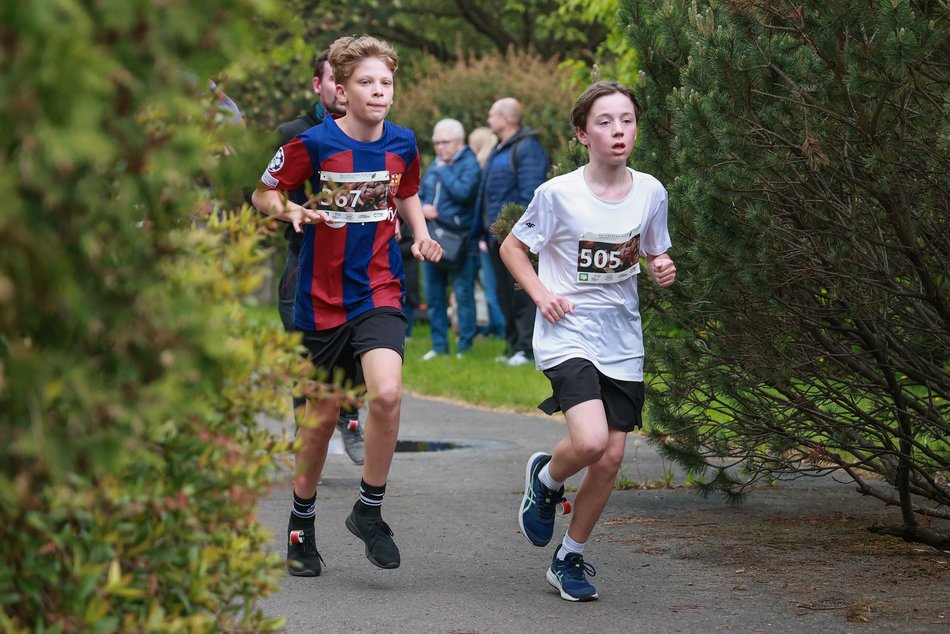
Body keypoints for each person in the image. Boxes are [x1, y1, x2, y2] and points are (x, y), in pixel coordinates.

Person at [251, 35, 442, 577]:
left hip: (379, 289)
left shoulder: (403, 142)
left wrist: (421, 234)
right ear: (340, 86)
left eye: (385, 82)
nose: (378, 92)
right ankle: (300, 523)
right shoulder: (311, 144)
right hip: (319, 298)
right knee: (321, 416)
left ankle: (369, 509)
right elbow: (262, 192)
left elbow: (405, 190)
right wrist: (289, 210)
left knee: (386, 393)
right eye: (366, 82)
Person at [500, 81, 676, 601]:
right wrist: (540, 293)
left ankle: (568, 556)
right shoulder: (558, 195)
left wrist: (661, 266)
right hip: (567, 330)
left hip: (621, 336)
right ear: (582, 134)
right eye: (604, 122)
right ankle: (548, 480)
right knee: (593, 440)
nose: (618, 130)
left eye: (626, 120)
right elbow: (513, 248)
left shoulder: (651, 191)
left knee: (610, 458)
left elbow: (653, 252)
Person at [271, 49, 366, 466]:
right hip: (305, 263)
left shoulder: (374, 133)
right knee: (305, 352)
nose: (344, 89)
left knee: (368, 344)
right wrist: (291, 210)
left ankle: (349, 416)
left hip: (361, 266)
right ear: (319, 84)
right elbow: (257, 192)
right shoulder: (293, 132)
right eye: (335, 79)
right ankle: (304, 433)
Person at [476, 98, 549, 366]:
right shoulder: (499, 149)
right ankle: (511, 344)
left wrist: (518, 234)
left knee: (521, 293)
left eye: (492, 114)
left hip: (516, 237)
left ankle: (525, 348)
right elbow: (486, 195)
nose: (488, 120)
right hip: (494, 235)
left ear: (506, 119)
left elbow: (531, 195)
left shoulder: (527, 149)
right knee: (503, 293)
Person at [419, 119, 481, 359]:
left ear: (459, 142)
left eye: (445, 142)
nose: (440, 148)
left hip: (459, 240)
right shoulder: (436, 164)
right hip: (432, 236)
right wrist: (422, 207)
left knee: (463, 293)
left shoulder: (469, 163)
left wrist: (444, 170)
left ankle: (465, 346)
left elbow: (464, 193)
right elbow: (423, 192)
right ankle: (438, 346)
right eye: (436, 143)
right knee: (434, 294)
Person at [467, 126, 505, 339]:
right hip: (492, 234)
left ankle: (499, 328)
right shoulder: (493, 164)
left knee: (491, 286)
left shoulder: (481, 168)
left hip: (485, 237)